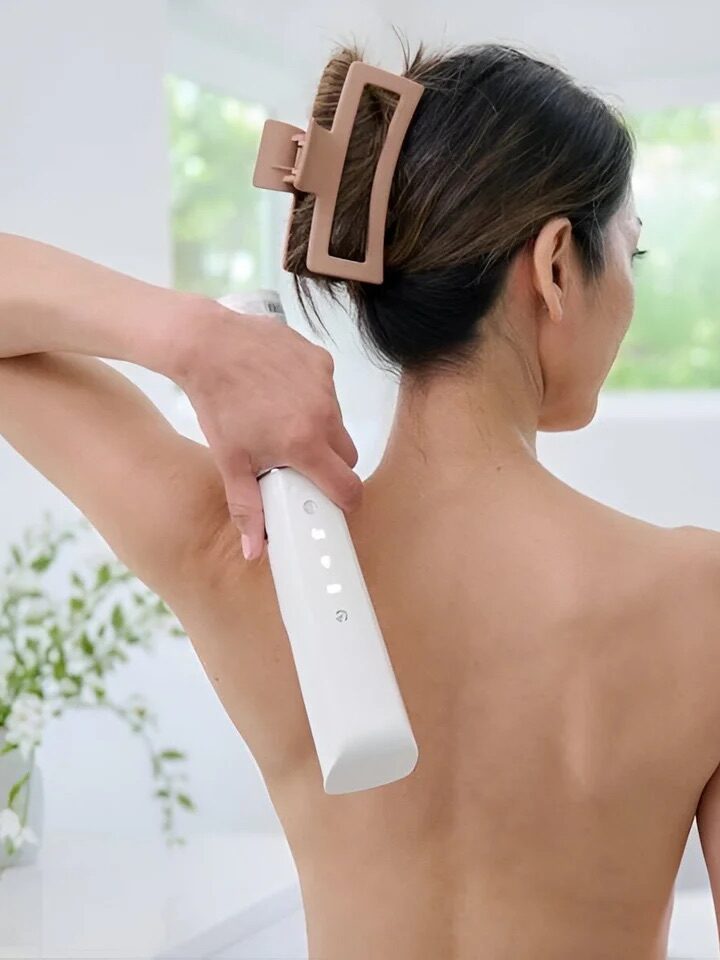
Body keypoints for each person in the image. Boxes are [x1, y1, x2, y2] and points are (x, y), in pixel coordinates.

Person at [1, 41, 719, 960]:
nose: (630, 292)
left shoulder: (244, 553)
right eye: (630, 251)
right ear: (552, 266)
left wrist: (192, 338)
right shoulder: (703, 602)